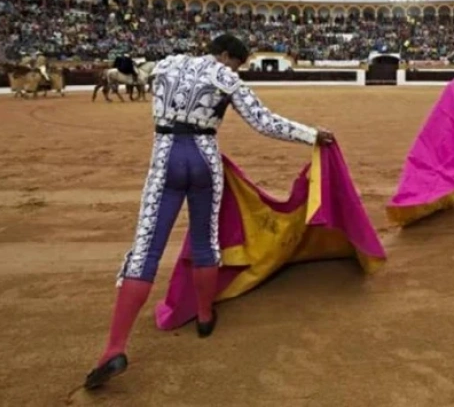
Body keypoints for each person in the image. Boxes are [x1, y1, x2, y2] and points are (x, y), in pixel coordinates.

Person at [84, 33, 335, 390]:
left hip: (165, 155)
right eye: (236, 62)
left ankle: (113, 349)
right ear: (225, 55)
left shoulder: (166, 64)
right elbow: (264, 122)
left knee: (145, 250)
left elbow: (135, 74)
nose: (235, 69)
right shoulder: (226, 76)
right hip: (204, 158)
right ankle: (204, 316)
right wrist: (312, 134)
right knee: (206, 240)